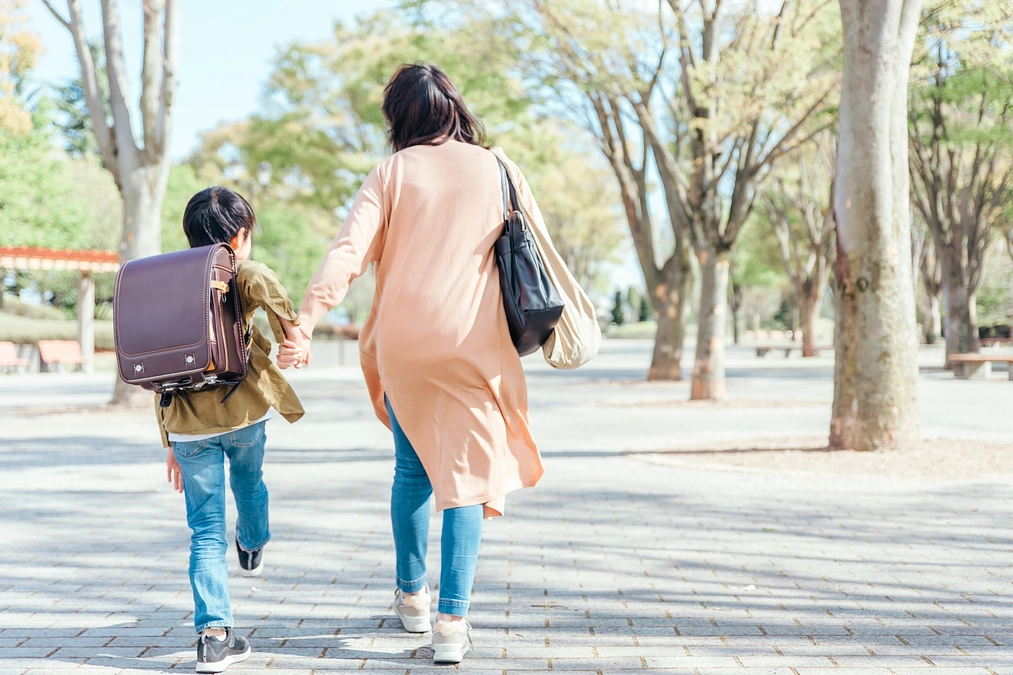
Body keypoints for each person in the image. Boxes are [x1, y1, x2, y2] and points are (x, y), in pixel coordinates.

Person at [276, 63, 547, 664]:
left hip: (403, 347)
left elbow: (347, 254)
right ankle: (451, 626)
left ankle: (411, 597)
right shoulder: (498, 167)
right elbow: (537, 252)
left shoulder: (390, 173)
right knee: (467, 486)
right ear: (454, 106)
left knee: (412, 472)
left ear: (397, 116)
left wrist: (307, 320)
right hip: (471, 346)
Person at [160, 187, 306, 673]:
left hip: (187, 426)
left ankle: (214, 637)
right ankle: (253, 541)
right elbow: (260, 276)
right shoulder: (238, 271)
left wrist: (169, 442)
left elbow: (159, 370)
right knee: (249, 485)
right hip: (242, 416)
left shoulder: (167, 278)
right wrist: (292, 329)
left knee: (204, 532)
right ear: (240, 236)